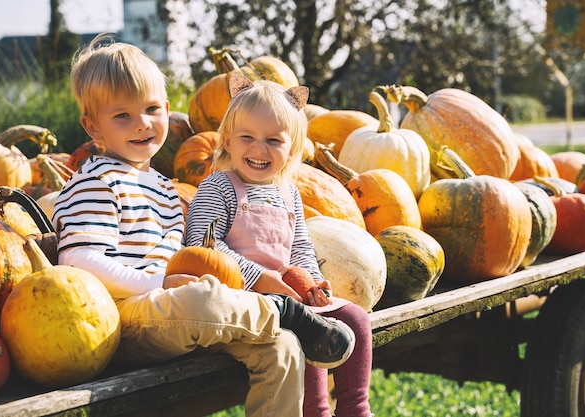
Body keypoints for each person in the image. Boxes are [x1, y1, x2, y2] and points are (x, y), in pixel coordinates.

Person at [51, 33, 356, 417]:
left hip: (179, 313)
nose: (142, 124)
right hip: (122, 319)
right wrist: (159, 283)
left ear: (166, 108)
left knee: (283, 348)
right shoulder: (97, 181)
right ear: (93, 127)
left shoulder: (163, 187)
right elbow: (80, 261)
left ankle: (278, 321)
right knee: (205, 297)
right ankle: (282, 310)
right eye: (122, 115)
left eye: (150, 109)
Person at [186, 72, 374, 417]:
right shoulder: (218, 188)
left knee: (355, 318)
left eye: (274, 140)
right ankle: (315, 411)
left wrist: (312, 281)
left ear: (292, 148)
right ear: (227, 141)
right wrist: (259, 277)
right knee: (305, 332)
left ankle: (355, 408)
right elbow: (203, 247)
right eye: (247, 137)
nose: (259, 149)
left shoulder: (288, 193)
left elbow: (299, 245)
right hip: (242, 301)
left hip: (288, 293)